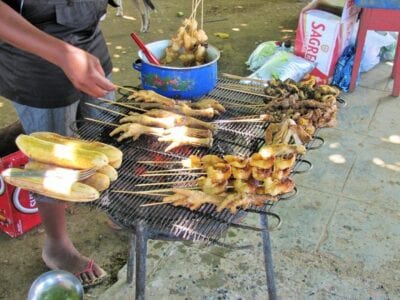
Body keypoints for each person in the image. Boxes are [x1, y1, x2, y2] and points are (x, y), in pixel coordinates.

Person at [0, 0, 116, 288]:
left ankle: (110, 205)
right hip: (31, 51)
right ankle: (57, 244)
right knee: (53, 161)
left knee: (104, 128)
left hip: (85, 29)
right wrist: (61, 53)